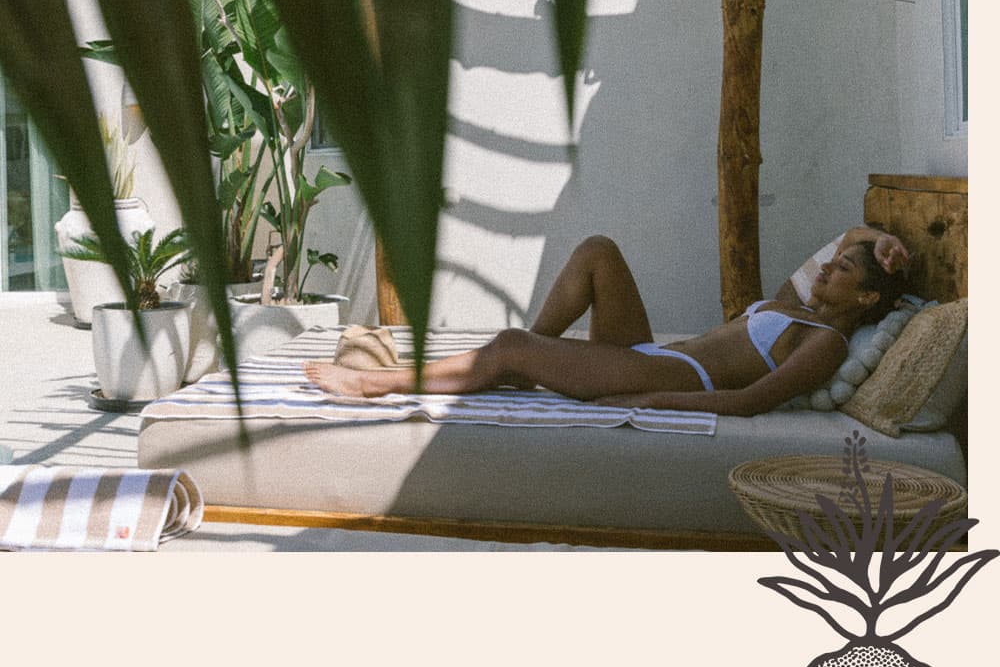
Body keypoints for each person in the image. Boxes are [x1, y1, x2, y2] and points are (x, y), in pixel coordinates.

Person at [304, 227, 910, 416]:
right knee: (599, 251)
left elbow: (752, 400)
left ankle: (374, 384)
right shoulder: (797, 304)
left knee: (508, 344)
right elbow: (847, 238)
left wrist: (649, 400)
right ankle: (529, 358)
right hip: (652, 355)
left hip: (675, 377)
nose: (829, 266)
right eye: (833, 262)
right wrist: (874, 238)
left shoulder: (825, 340)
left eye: (846, 268)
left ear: (865, 299)